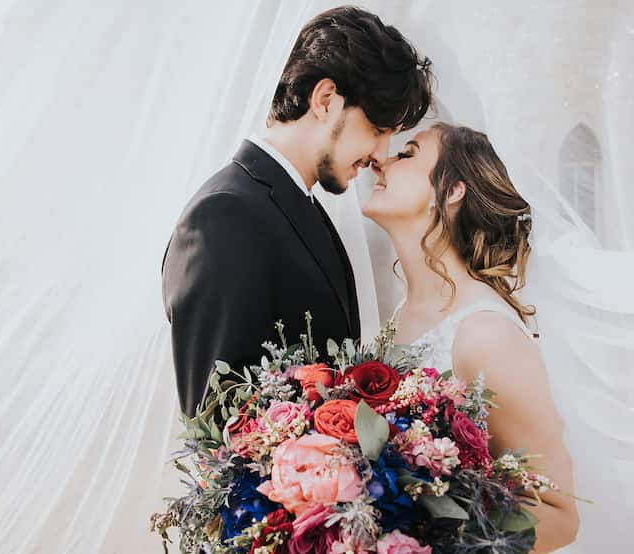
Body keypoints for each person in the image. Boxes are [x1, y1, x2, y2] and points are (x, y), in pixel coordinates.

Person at [162, 5, 434, 415]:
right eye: (378, 130)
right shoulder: (224, 216)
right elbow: (217, 423)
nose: (381, 154)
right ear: (326, 100)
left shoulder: (301, 206)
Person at [362, 122, 580, 552]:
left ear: (453, 191)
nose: (379, 161)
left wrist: (426, 539)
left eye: (406, 154)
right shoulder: (400, 316)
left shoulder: (484, 333)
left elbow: (558, 514)